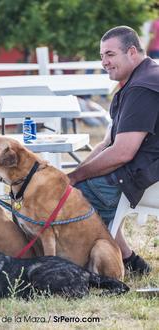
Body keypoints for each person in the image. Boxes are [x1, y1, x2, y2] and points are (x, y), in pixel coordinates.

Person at [68, 26, 159, 276]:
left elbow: (122, 153)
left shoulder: (142, 87)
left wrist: (74, 179)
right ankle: (130, 261)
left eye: (110, 54)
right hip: (142, 170)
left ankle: (97, 263)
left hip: (147, 177)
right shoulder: (140, 79)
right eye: (101, 56)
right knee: (74, 187)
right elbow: (107, 144)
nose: (104, 62)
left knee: (76, 197)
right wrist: (73, 175)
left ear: (131, 52)